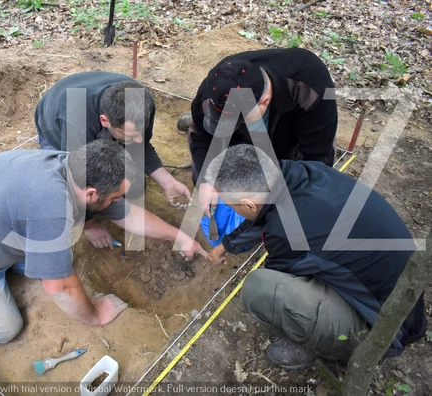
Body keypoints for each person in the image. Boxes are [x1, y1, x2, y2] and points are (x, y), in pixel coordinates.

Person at [0, 140, 206, 343]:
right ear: (91, 195)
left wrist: (179, 236)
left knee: (58, 255)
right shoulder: (51, 207)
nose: (118, 201)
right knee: (4, 329)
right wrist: (96, 314)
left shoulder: (74, 167)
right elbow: (58, 287)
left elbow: (125, 214)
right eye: (115, 196)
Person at [205, 145, 426, 369]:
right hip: (404, 297)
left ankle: (319, 347)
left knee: (261, 290)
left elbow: (280, 273)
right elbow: (266, 213)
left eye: (231, 205)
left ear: (248, 205)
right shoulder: (303, 172)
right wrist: (226, 245)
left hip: (385, 328)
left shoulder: (287, 234)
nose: (232, 209)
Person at [35, 71, 193, 248]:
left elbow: (142, 146)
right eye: (130, 135)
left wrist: (167, 182)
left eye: (139, 133)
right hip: (55, 124)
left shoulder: (142, 100)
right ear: (105, 121)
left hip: (94, 114)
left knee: (134, 189)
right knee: (88, 191)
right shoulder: (77, 128)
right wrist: (88, 224)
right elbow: (77, 184)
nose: (139, 141)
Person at [181, 48, 338, 217]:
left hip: (293, 134)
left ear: (265, 101)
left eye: (237, 120)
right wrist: (206, 181)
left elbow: (318, 160)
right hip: (247, 134)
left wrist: (290, 207)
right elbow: (201, 136)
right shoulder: (218, 84)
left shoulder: (311, 87)